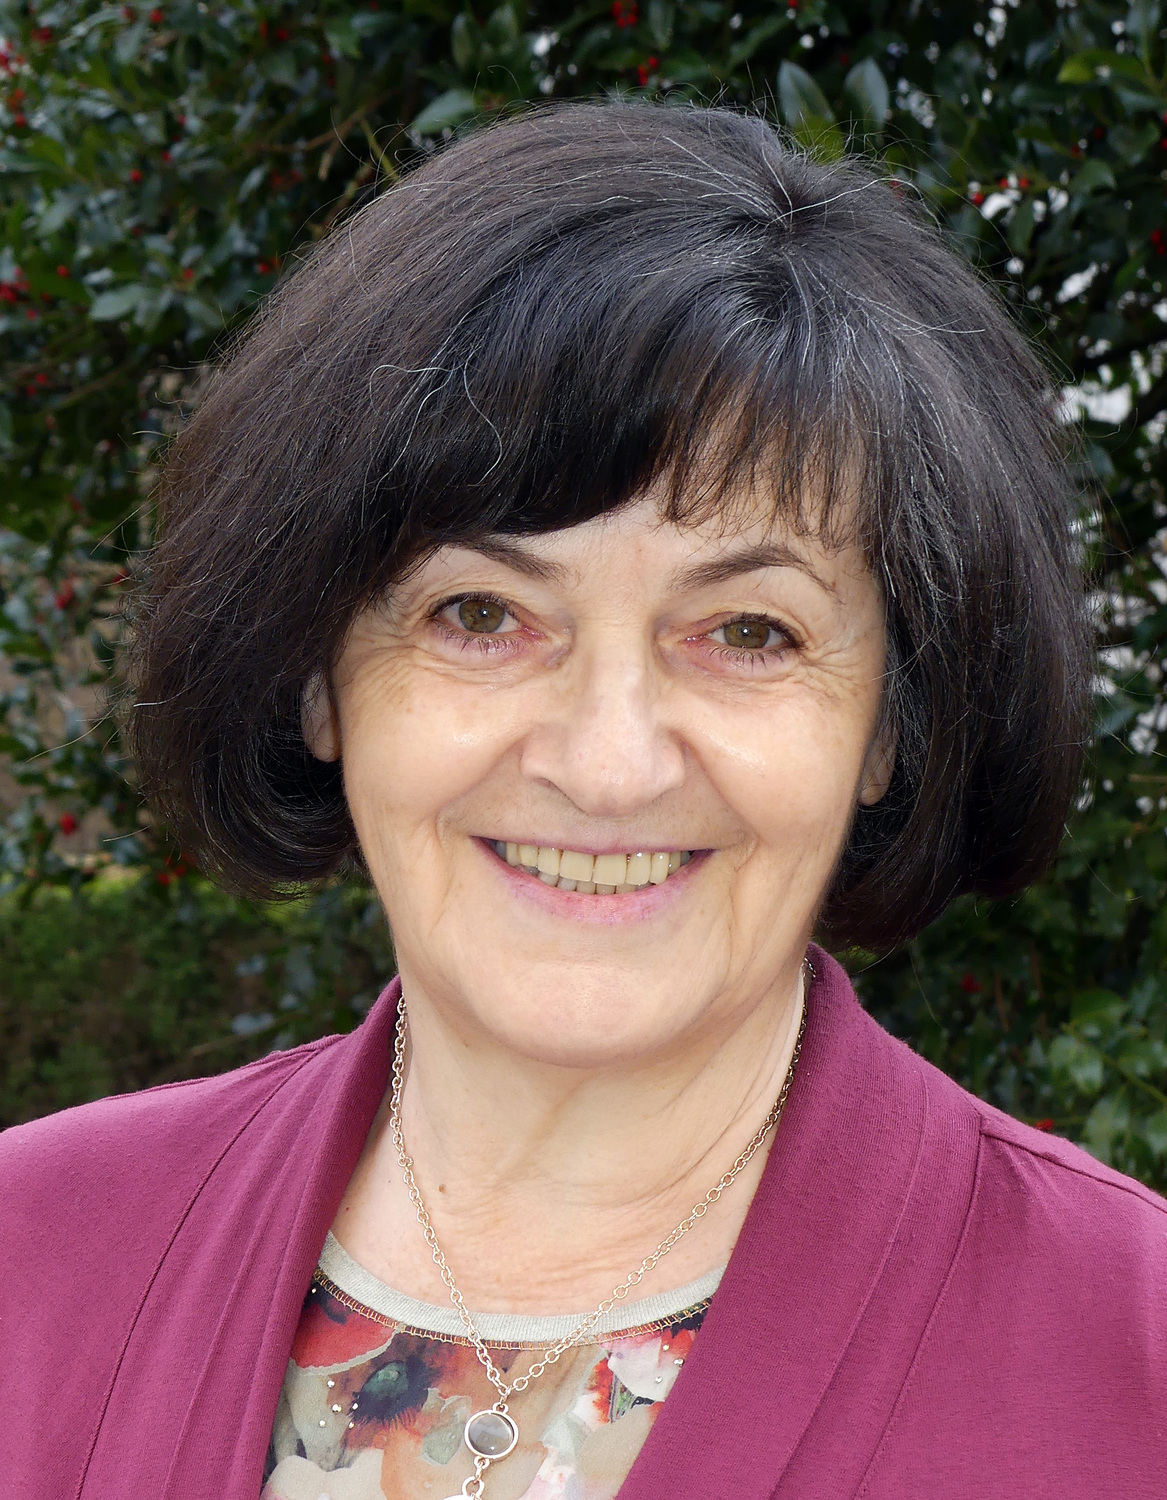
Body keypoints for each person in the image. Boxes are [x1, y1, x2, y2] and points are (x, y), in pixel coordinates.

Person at [2, 102, 1164, 1500]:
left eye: (749, 632)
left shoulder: (1134, 1358)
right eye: (481, 614)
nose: (609, 764)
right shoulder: (31, 1259)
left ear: (889, 726)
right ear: (317, 682)